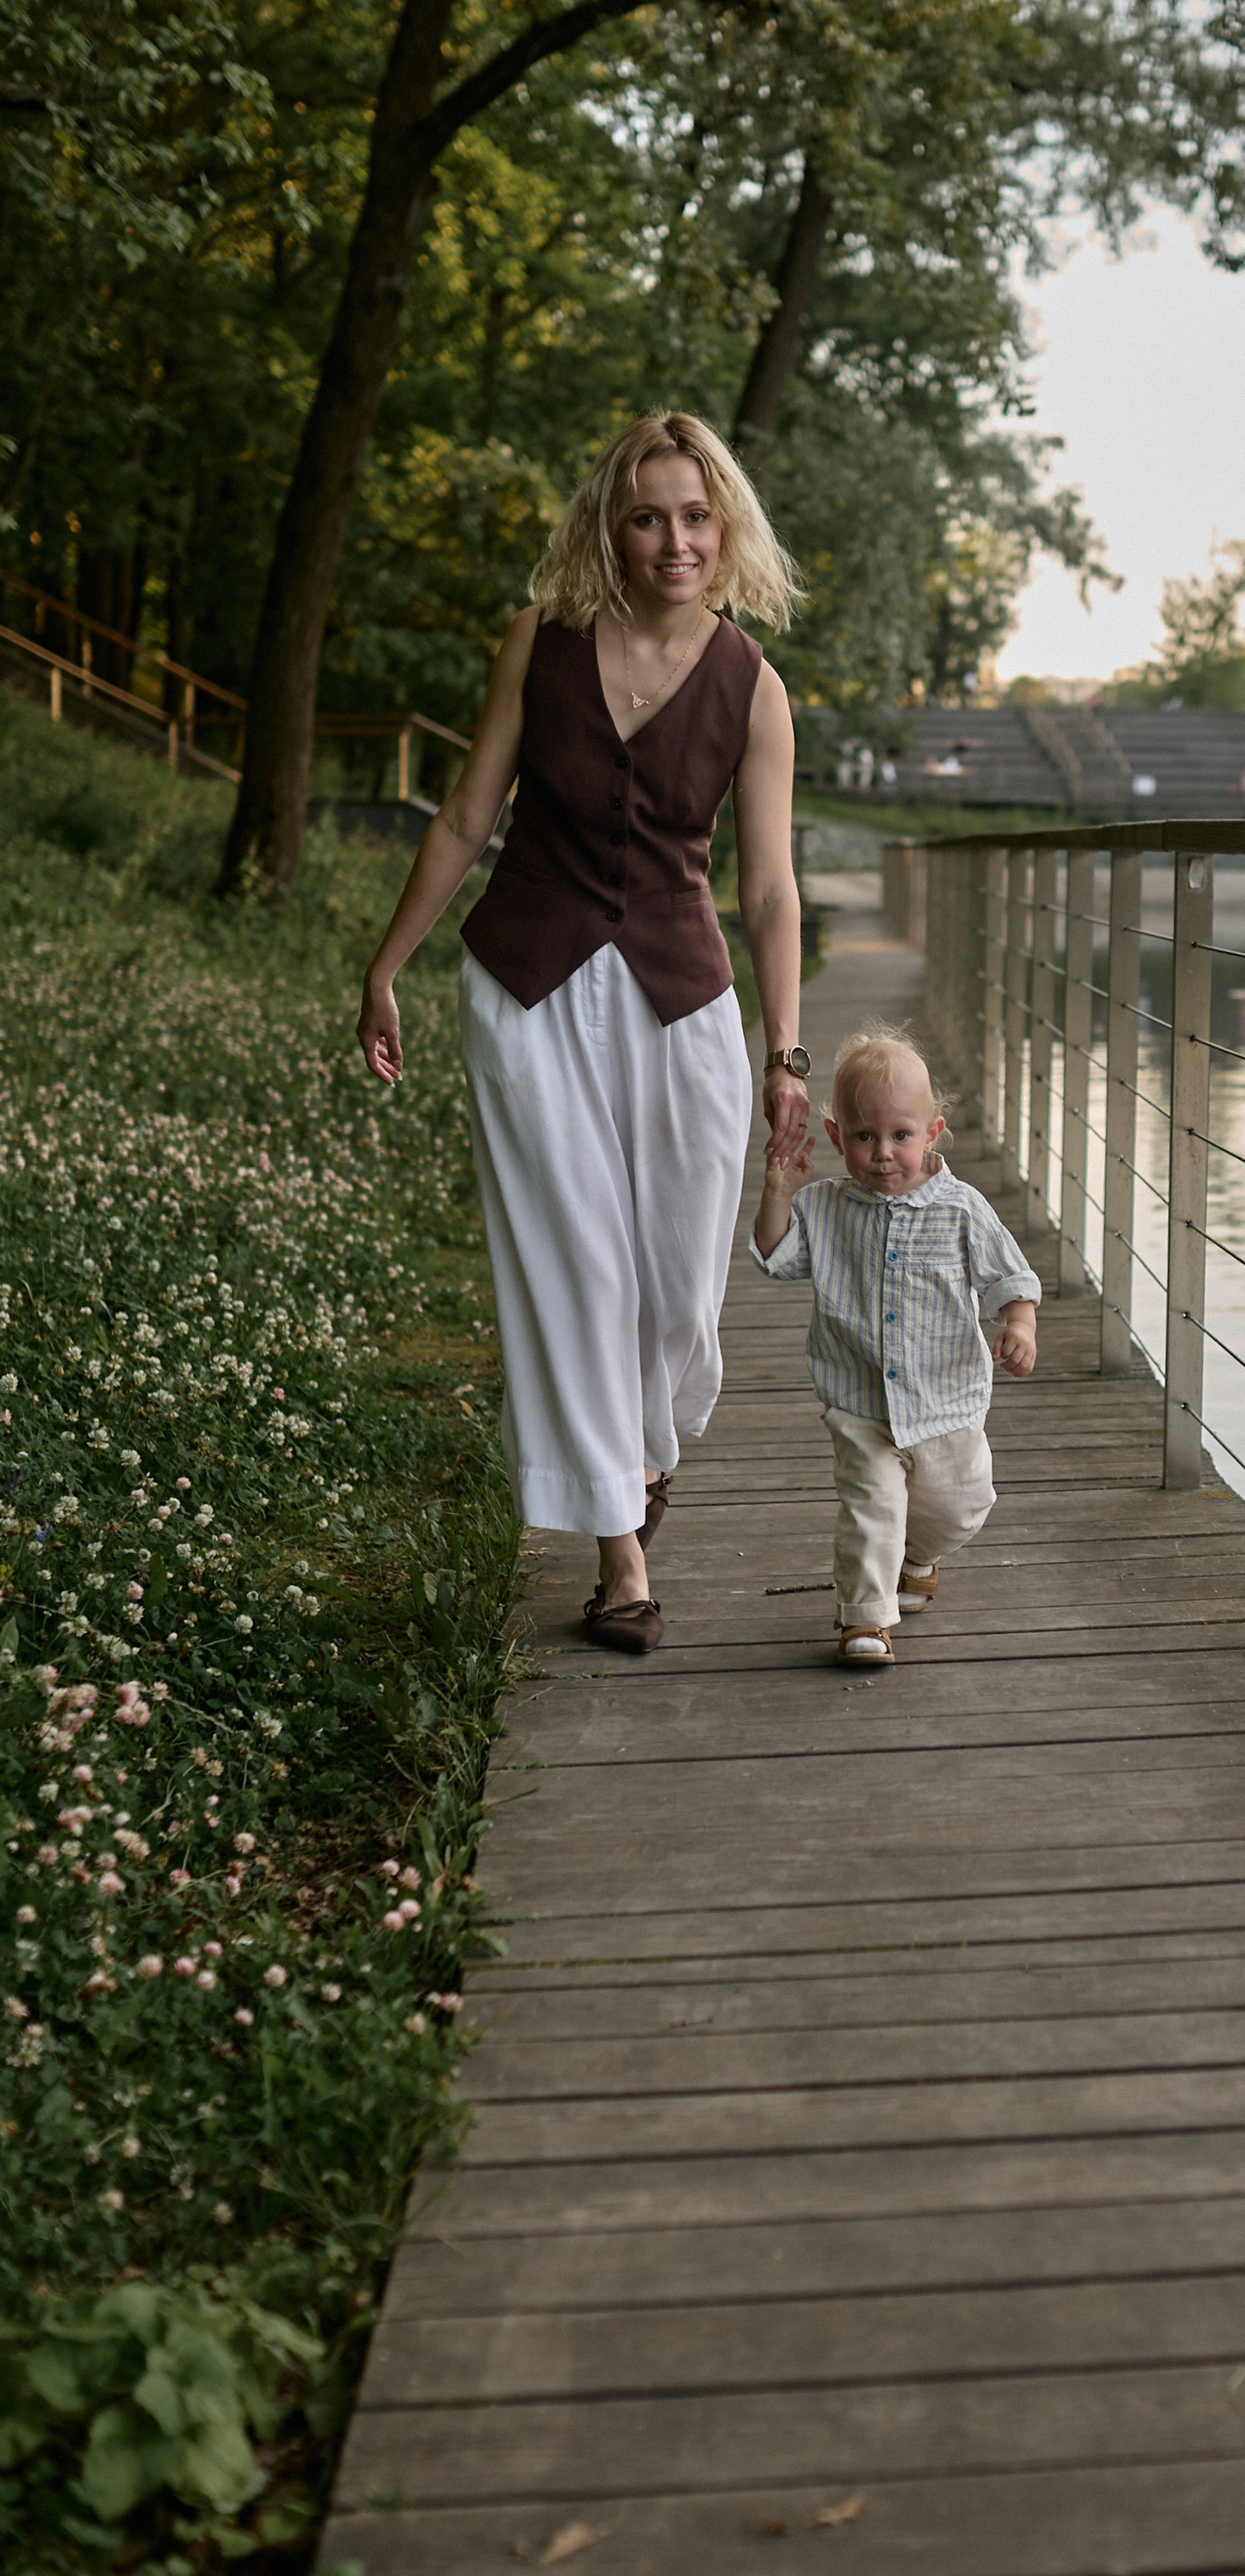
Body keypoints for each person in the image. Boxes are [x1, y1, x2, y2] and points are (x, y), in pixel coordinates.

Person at [356, 410, 810, 1657]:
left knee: (678, 1287)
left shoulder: (753, 686)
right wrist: (385, 965)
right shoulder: (539, 642)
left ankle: (641, 1452)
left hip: (682, 1001)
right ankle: (620, 1556)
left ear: (726, 528)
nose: (676, 540)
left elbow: (771, 888)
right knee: (579, 1269)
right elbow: (466, 815)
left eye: (697, 516)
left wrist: (785, 1053)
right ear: (611, 527)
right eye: (649, 516)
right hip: (528, 989)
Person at [752, 1031, 1039, 1666]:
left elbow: (1009, 1276)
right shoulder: (823, 1207)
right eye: (864, 1136)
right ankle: (866, 1619)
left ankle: (920, 1556)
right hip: (859, 1399)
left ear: (932, 1133)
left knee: (960, 1507)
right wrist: (777, 1191)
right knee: (871, 1507)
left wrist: (1020, 1325)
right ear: (836, 1137)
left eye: (900, 1136)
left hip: (945, 1401)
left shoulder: (962, 1209)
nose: (883, 1153)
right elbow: (775, 1258)